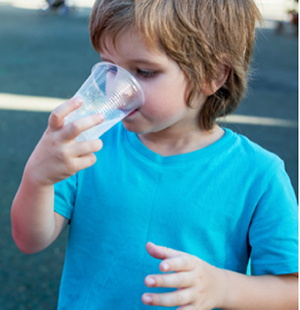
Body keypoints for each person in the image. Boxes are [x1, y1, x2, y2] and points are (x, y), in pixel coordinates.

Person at [11, 0, 298, 309]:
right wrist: (37, 178)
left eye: (144, 72)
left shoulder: (258, 175)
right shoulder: (90, 145)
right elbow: (29, 239)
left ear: (213, 75)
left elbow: (291, 292)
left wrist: (222, 287)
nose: (117, 89)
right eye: (109, 67)